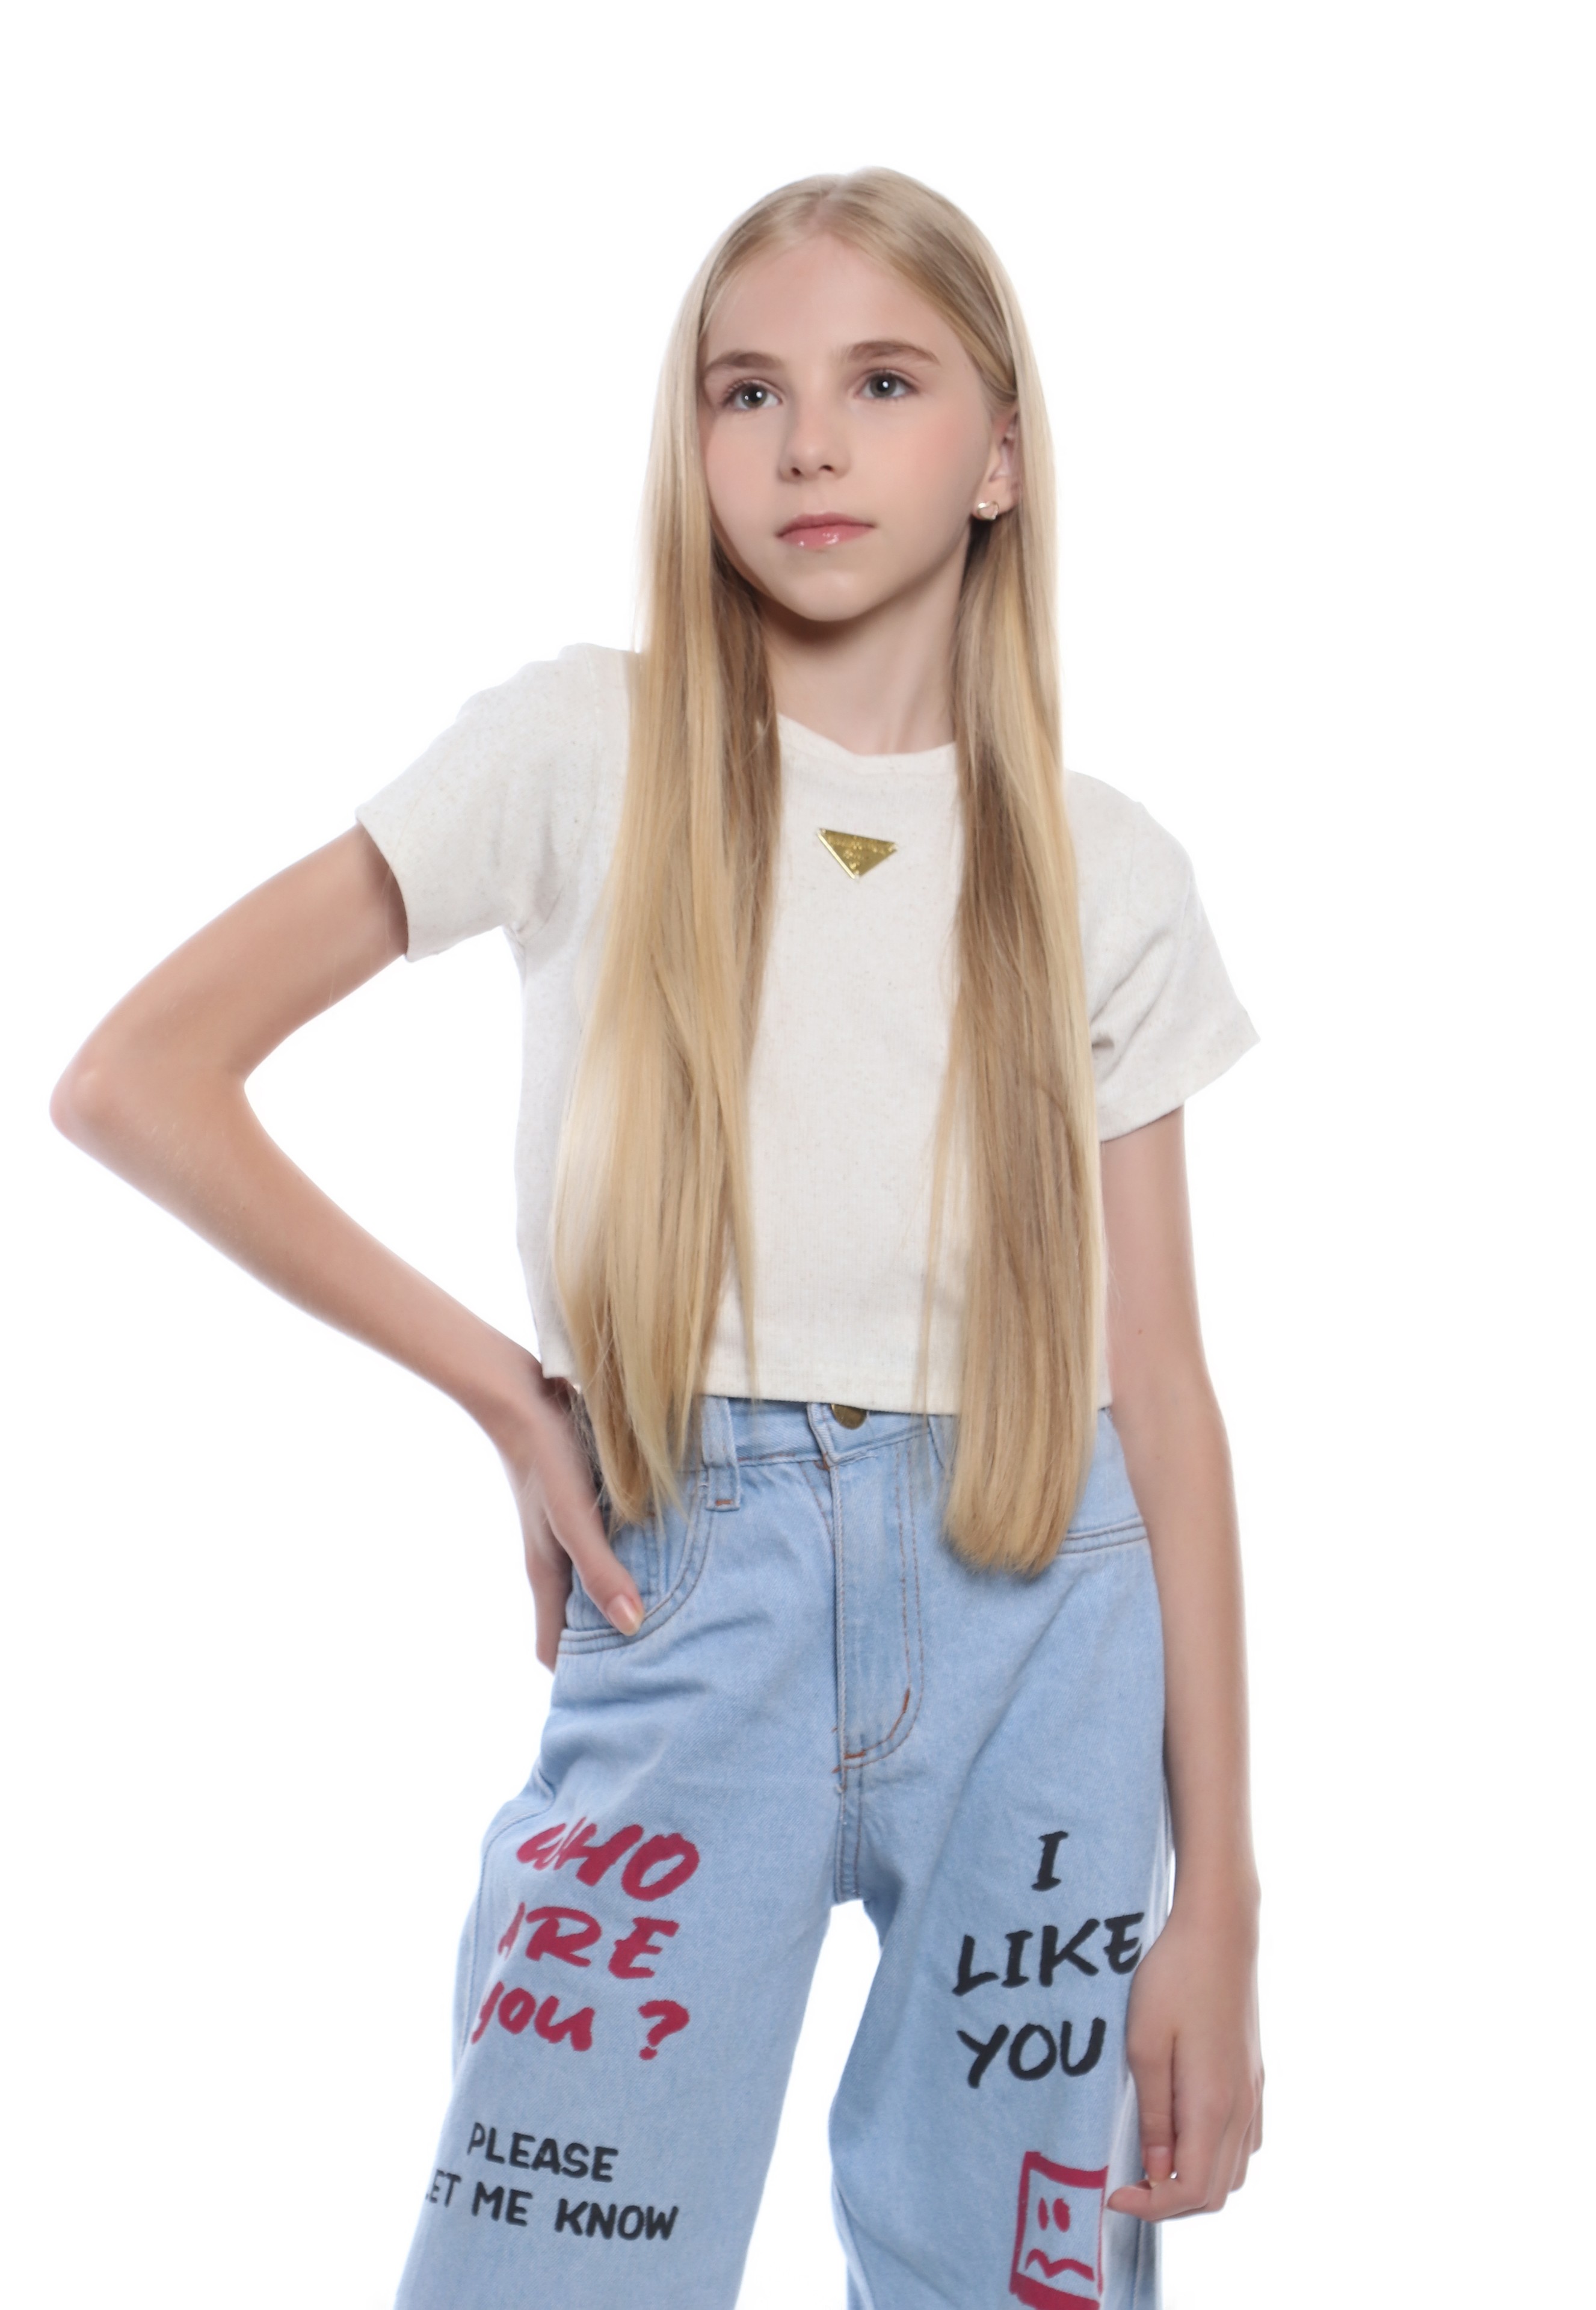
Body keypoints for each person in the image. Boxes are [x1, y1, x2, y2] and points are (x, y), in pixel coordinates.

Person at [52, 168, 1263, 2310]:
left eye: (880, 383)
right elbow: (140, 1078)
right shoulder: (580, 753)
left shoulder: (1104, 867)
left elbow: (1158, 1387)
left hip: (1045, 1622)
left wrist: (1222, 1900)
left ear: (996, 457)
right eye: (745, 391)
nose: (805, 445)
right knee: (549, 2266)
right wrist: (508, 1397)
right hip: (690, 1580)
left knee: (1013, 2284)